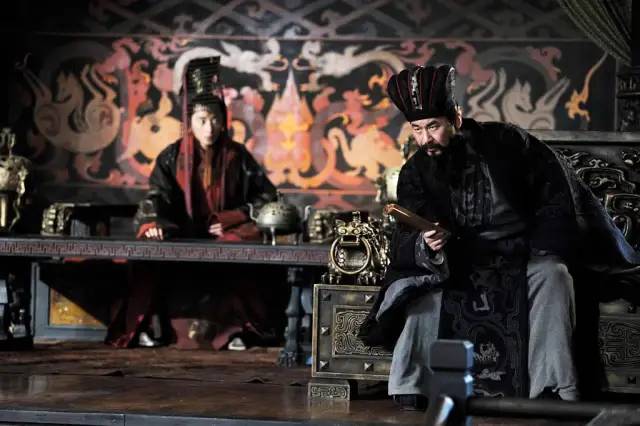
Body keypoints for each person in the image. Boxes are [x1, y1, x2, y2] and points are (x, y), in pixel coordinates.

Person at [359, 64, 640, 410]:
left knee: (555, 277)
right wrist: (427, 245)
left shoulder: (509, 143)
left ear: (456, 118)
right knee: (422, 293)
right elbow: (408, 232)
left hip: (523, 256)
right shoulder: (416, 170)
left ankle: (553, 386)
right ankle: (415, 383)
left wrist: (539, 247)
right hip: (458, 263)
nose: (425, 139)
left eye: (433, 126)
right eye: (417, 129)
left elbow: (556, 200)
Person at [105, 55, 278, 349]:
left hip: (225, 234)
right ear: (190, 122)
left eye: (215, 120)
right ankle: (149, 327)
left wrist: (233, 217)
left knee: (241, 253)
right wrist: (154, 222)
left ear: (224, 121)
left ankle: (243, 331)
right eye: (201, 120)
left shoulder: (238, 156)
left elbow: (268, 198)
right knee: (149, 253)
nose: (209, 128)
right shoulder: (172, 156)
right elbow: (158, 195)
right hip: (182, 232)